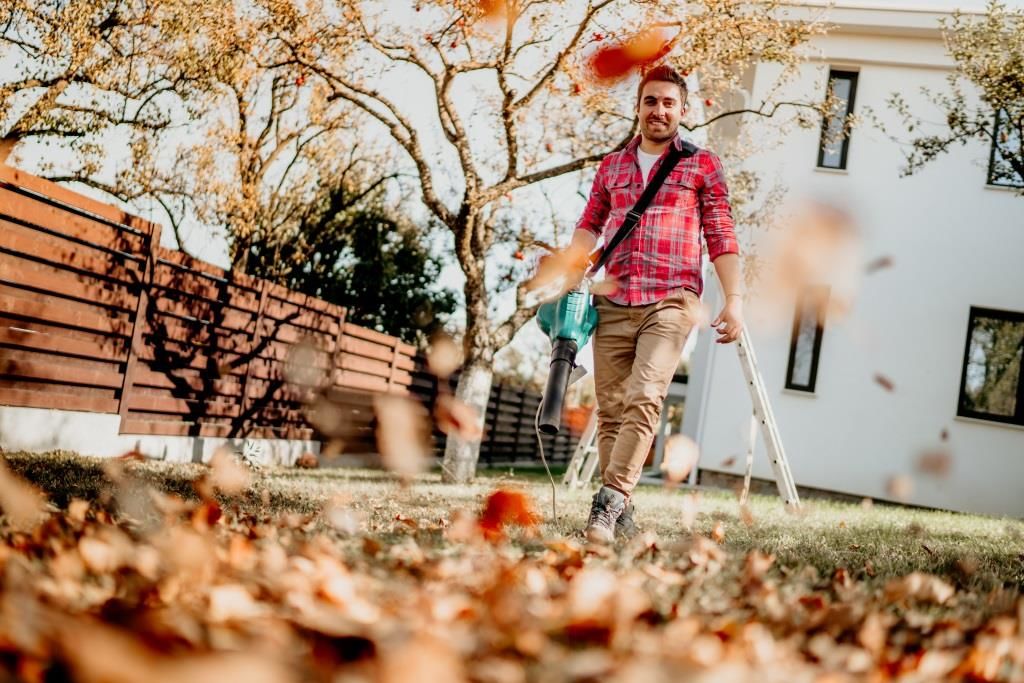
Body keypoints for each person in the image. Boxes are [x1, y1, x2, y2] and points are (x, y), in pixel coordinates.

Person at [562, 65, 745, 543]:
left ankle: (605, 503)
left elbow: (721, 232)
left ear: (684, 110)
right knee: (612, 410)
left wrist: (736, 298)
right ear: (638, 107)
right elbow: (590, 222)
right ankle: (621, 511)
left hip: (672, 299)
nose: (659, 110)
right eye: (650, 101)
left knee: (646, 396)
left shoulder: (702, 165)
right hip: (614, 298)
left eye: (668, 102)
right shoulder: (612, 167)